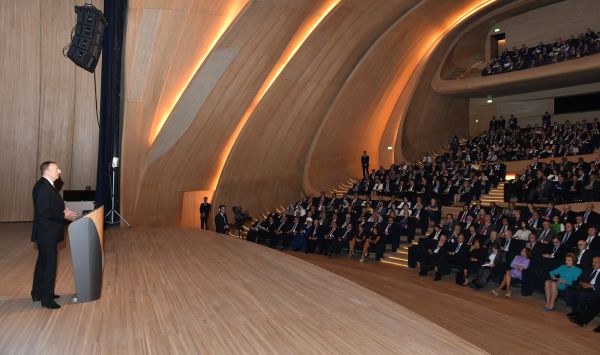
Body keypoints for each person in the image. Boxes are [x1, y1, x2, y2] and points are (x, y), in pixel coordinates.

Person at [31, 161, 78, 310]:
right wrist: (63, 214)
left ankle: (38, 293)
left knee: (43, 264)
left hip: (47, 232)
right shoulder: (43, 187)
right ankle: (47, 299)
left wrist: (63, 210)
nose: (60, 170)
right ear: (47, 171)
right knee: (49, 265)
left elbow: (49, 206)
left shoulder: (46, 185)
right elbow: (43, 210)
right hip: (46, 233)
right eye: (56, 168)